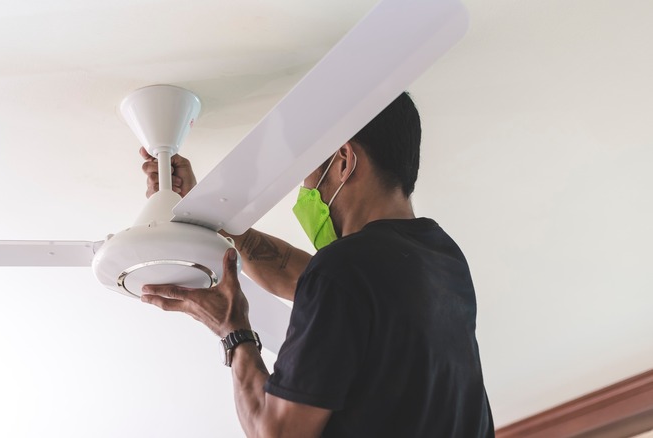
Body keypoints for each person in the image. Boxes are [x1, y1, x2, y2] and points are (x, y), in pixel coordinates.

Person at [139, 92, 494, 437]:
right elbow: (305, 277)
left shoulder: (345, 269)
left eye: (309, 170)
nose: (307, 188)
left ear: (343, 161)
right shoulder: (443, 258)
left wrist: (233, 332)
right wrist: (213, 215)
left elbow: (275, 434)